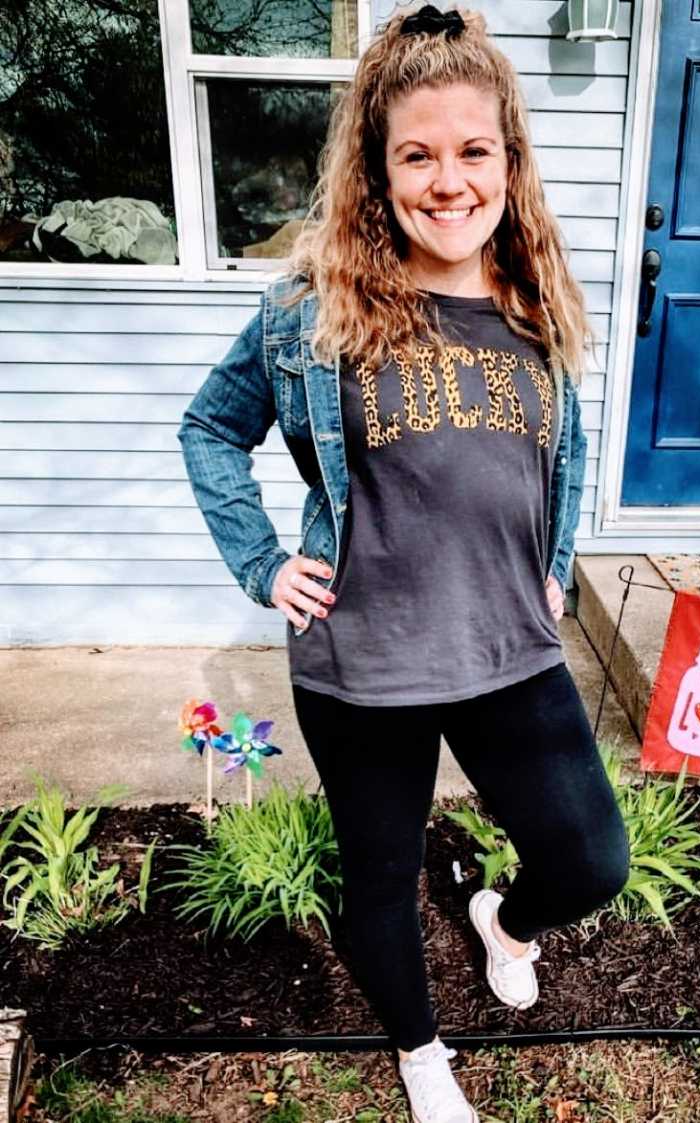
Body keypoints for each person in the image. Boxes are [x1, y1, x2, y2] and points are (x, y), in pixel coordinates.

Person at [177, 5, 630, 1120]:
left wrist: (553, 560)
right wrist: (265, 564)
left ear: (508, 162)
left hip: (506, 643)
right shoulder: (308, 308)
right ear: (377, 173)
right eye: (415, 155)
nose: (447, 180)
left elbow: (558, 456)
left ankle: (501, 920)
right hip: (362, 657)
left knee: (590, 860)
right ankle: (422, 1055)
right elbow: (207, 428)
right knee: (377, 876)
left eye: (473, 151)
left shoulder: (534, 299)